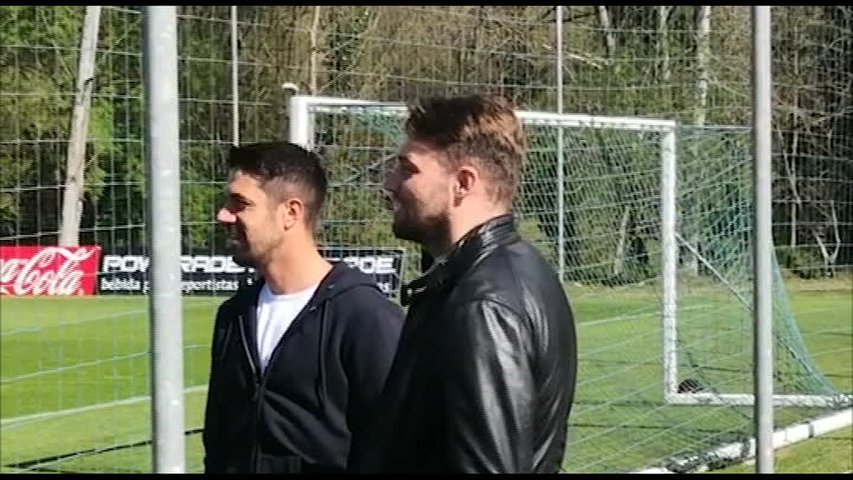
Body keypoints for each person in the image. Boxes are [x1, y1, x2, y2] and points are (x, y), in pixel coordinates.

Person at [350, 95, 578, 473]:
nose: (390, 183)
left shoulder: (483, 305)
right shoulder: (496, 272)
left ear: (462, 183)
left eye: (408, 169)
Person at [202, 141, 405, 473]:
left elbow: (396, 446)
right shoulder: (234, 315)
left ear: (290, 213)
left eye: (241, 203)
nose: (224, 214)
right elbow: (218, 442)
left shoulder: (366, 318)